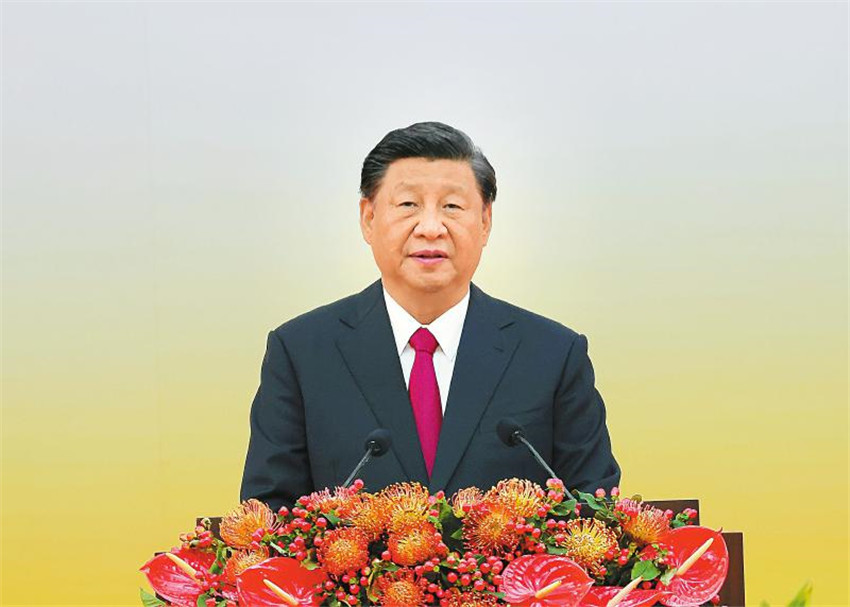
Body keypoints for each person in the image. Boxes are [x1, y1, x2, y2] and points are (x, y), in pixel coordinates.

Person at [240, 122, 620, 510]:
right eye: (408, 205)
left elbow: (595, 508)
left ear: (485, 221)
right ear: (368, 218)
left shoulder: (553, 355)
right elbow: (268, 516)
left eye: (452, 207)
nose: (431, 228)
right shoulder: (302, 352)